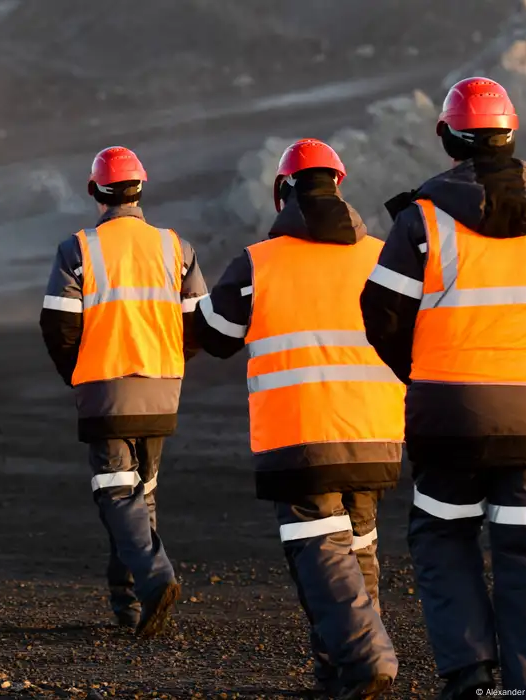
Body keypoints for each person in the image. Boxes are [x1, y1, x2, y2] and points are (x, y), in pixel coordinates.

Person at [359, 77, 526, 696]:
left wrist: (424, 378)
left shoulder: (422, 220)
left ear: (447, 136)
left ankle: (469, 676)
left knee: (444, 534)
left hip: (449, 416)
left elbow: (381, 314)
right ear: (511, 132)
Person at [193, 139, 401, 699]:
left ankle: (366, 658)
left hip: (301, 435)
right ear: (339, 185)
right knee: (358, 546)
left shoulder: (260, 261)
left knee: (317, 545)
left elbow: (214, 336)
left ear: (283, 191)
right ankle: (338, 674)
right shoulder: (382, 254)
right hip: (376, 431)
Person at [39, 146, 207, 637]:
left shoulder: (79, 249)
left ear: (95, 191)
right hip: (161, 387)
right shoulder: (177, 247)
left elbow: (58, 325)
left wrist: (79, 372)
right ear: (141, 189)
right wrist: (171, 363)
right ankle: (129, 606)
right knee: (139, 496)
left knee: (116, 492)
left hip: (105, 386)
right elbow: (198, 322)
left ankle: (154, 580)